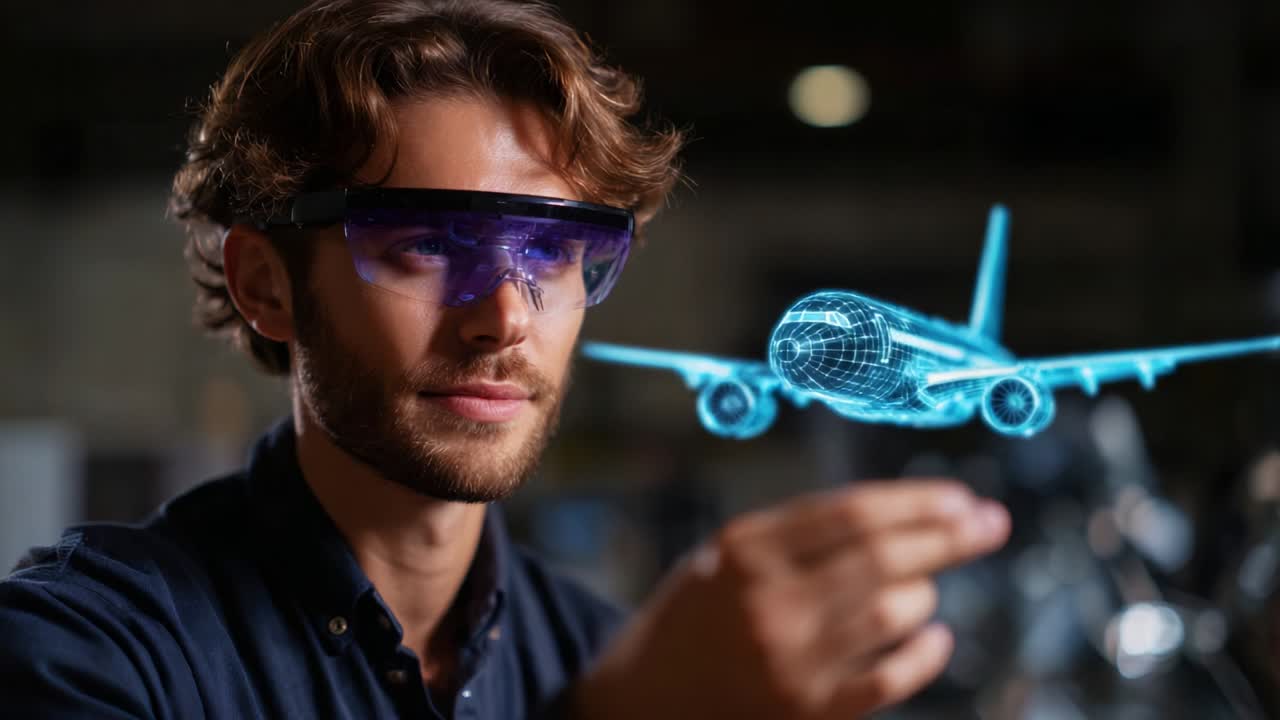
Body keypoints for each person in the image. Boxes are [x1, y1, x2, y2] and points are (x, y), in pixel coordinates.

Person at [0, 1, 1011, 717]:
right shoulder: (86, 657)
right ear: (268, 286)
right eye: (425, 247)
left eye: (553, 254)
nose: (502, 319)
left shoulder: (605, 653)